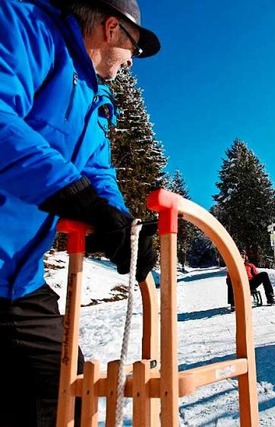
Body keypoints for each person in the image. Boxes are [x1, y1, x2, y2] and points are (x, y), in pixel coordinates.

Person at [0, 0, 160, 425]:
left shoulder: (93, 100)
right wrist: (69, 192)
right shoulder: (25, 27)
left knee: (65, 393)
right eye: (134, 49)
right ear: (112, 29)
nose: (131, 63)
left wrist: (122, 227)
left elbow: (97, 170)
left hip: (19, 280)